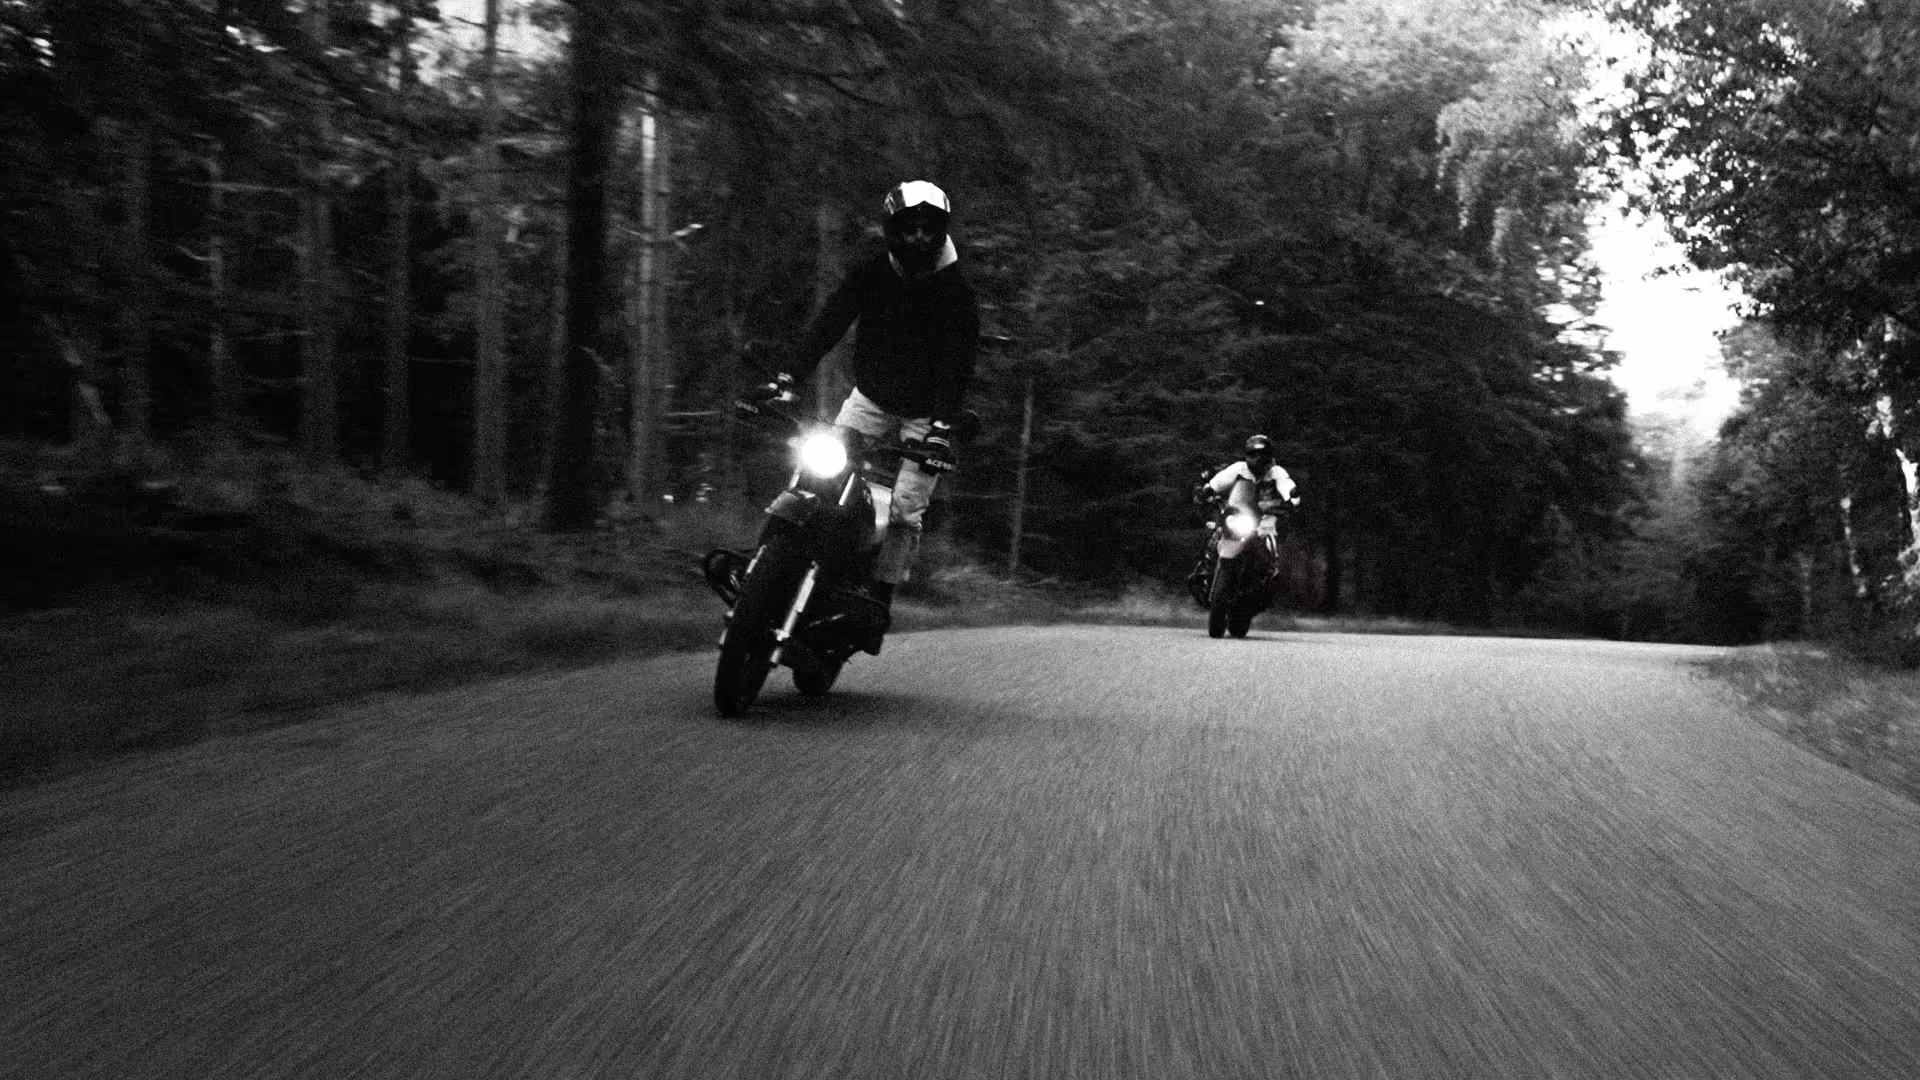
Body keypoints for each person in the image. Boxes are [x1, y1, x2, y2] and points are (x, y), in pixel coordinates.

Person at [745, 180, 981, 633]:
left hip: (925, 412)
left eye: (929, 229)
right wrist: (788, 380)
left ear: (941, 232)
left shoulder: (956, 295)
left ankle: (878, 596)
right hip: (870, 399)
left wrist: (940, 428)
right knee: (818, 475)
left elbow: (958, 367)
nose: (919, 238)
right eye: (909, 228)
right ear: (892, 228)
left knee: (905, 508)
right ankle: (768, 559)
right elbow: (829, 322)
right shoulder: (873, 272)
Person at [1189, 435, 1298, 597]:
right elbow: (1220, 480)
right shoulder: (1239, 469)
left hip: (1264, 516)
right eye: (1253, 454)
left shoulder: (1277, 473)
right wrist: (1207, 490)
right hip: (1240, 513)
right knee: (1219, 530)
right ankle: (1206, 567)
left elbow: (1287, 486)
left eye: (1262, 454)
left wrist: (1291, 499)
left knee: (1269, 532)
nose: (1258, 459)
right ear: (1247, 455)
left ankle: (1272, 568)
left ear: (1269, 456)